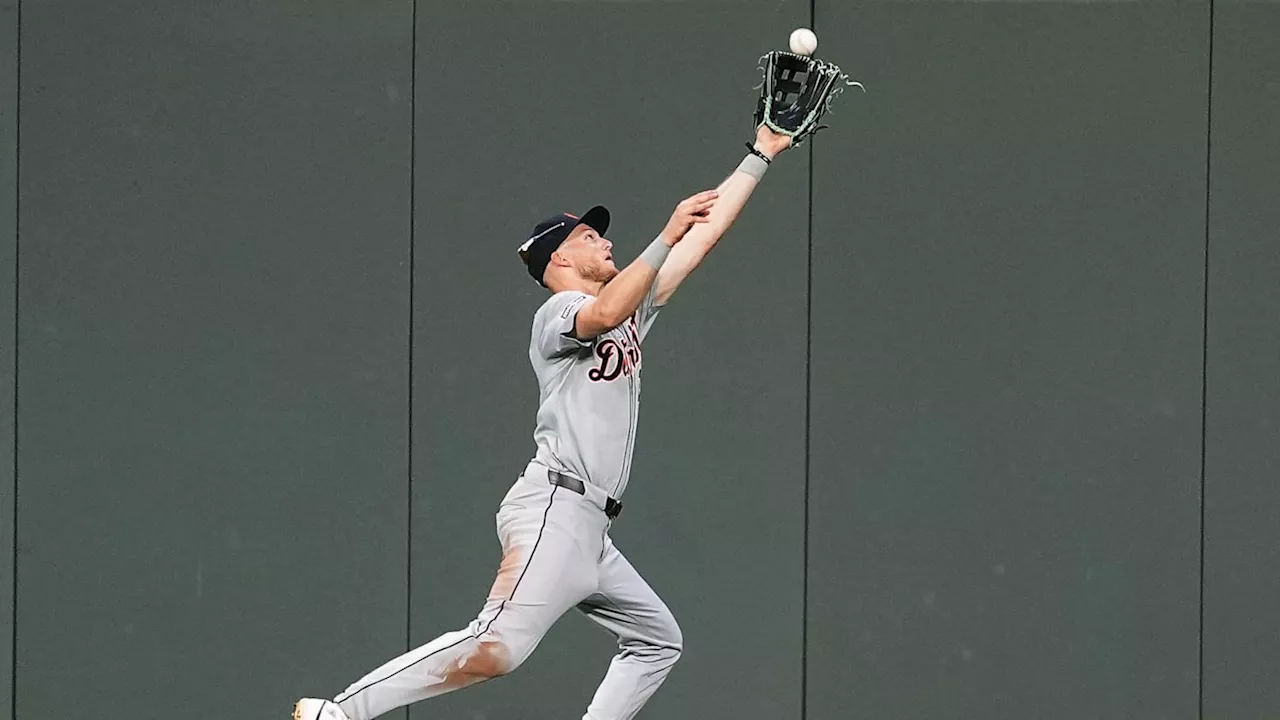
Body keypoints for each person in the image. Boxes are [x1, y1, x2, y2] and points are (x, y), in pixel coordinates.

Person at [294, 123, 792, 720]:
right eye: (590, 236)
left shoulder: (631, 311)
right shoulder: (557, 312)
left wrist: (760, 154)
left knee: (658, 641)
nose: (605, 242)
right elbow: (607, 307)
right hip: (555, 508)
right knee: (495, 649)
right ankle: (339, 713)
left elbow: (699, 239)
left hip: (592, 531)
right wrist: (662, 235)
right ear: (560, 256)